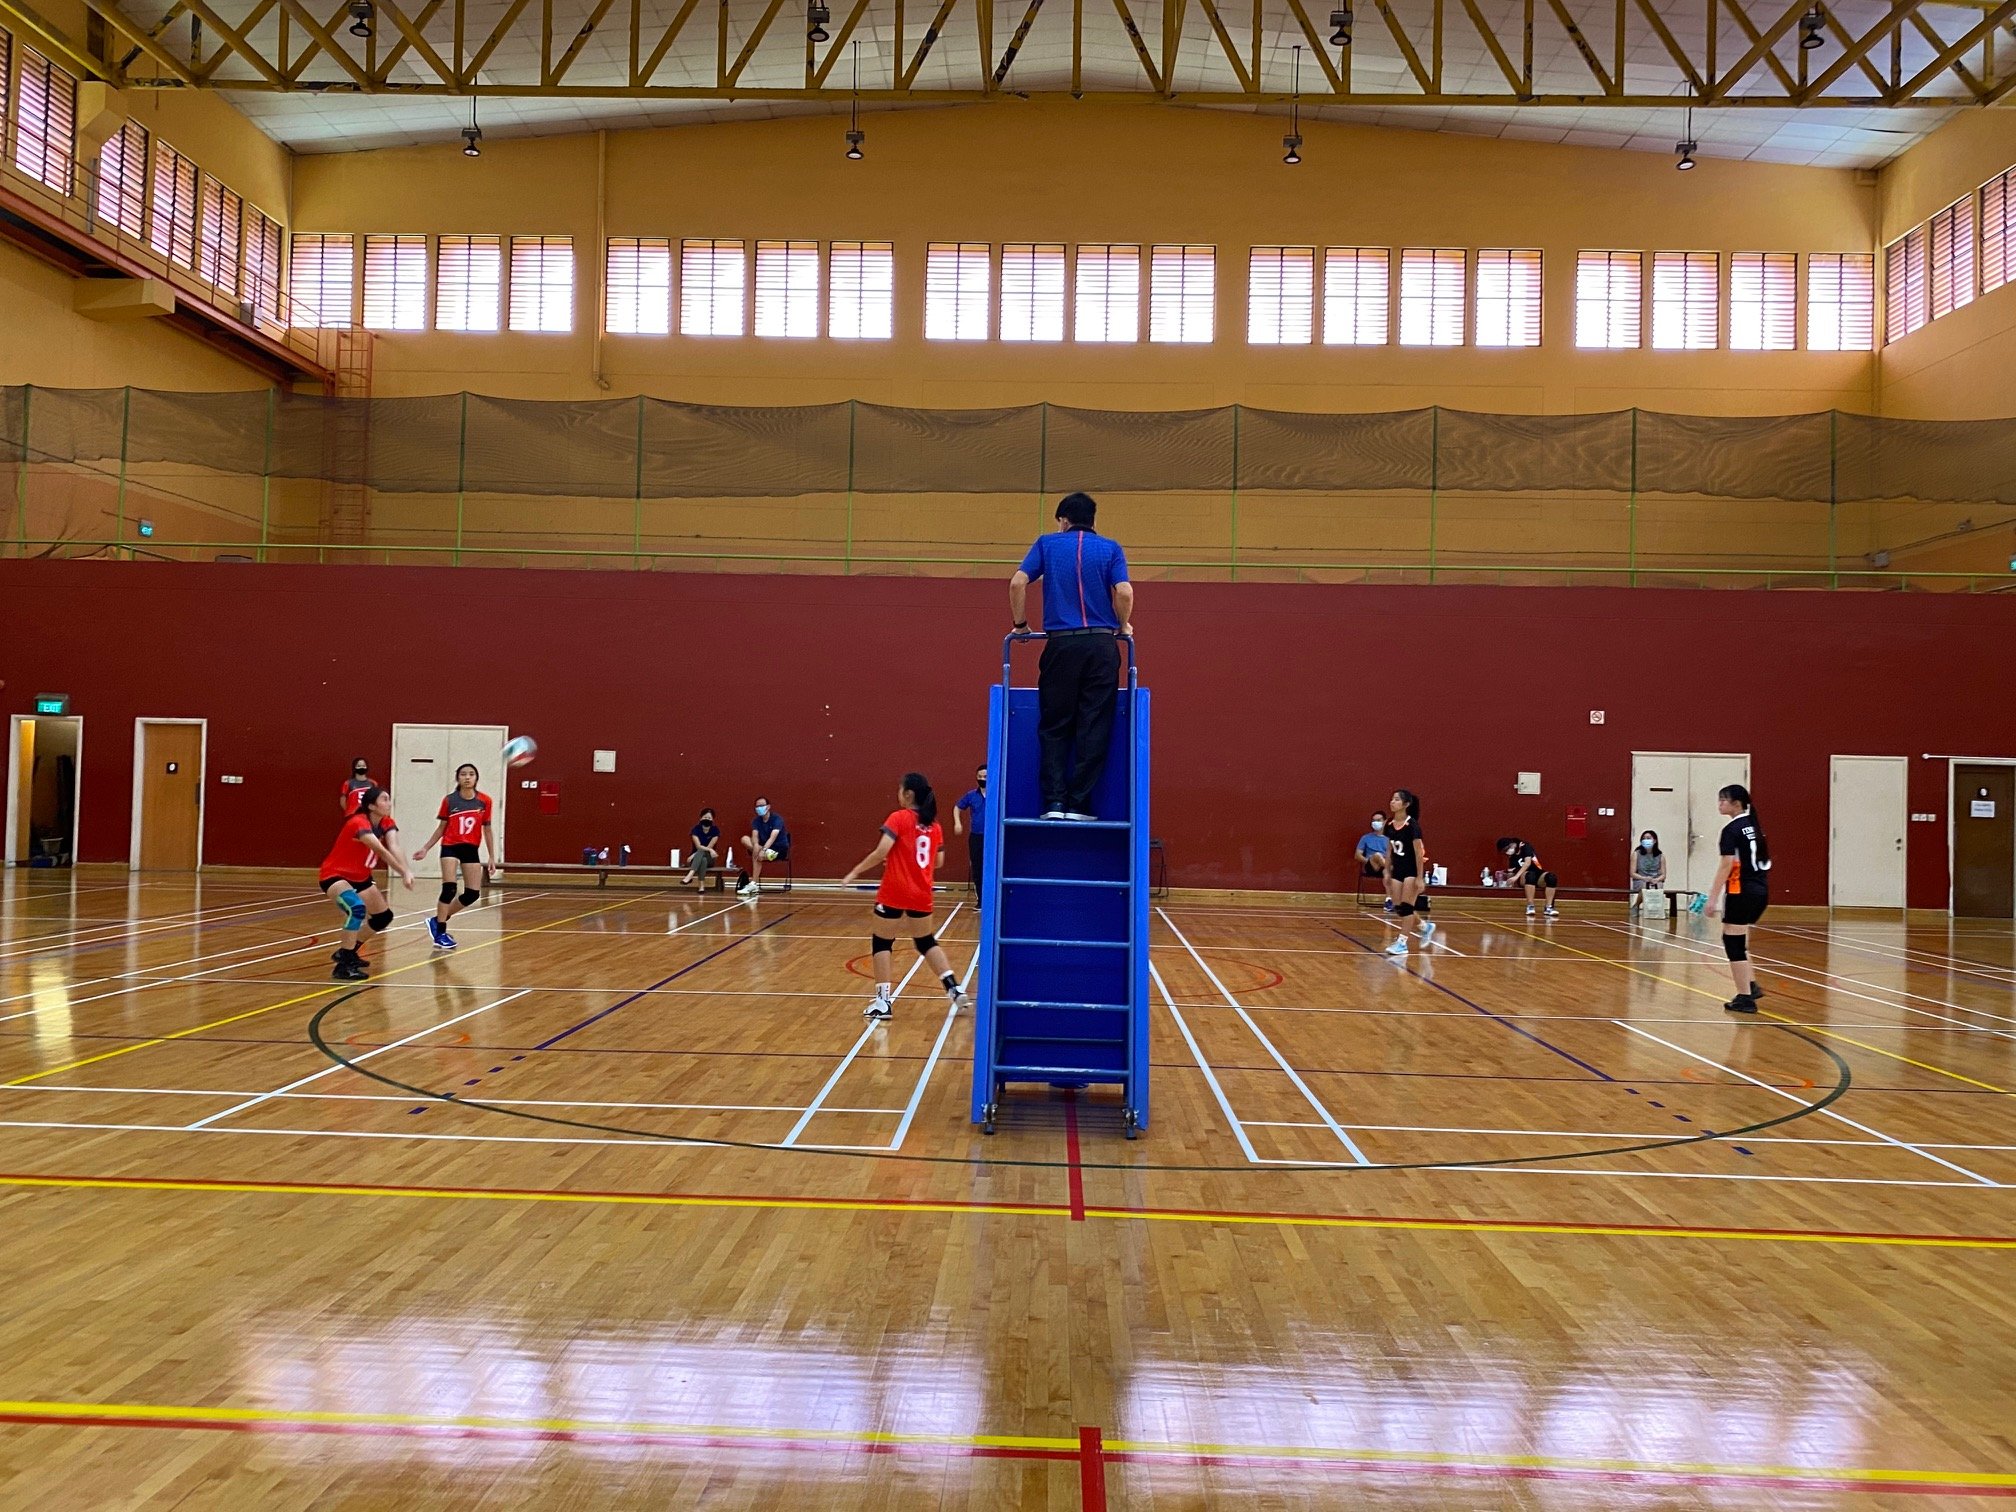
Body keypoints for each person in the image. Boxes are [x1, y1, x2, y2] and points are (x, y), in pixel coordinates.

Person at [1008, 491, 1135, 822]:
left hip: (1061, 645)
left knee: (1054, 725)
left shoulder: (1047, 544)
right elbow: (1124, 591)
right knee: (1094, 724)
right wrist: (1124, 625)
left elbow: (1017, 583)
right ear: (1093, 521)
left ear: (1063, 521)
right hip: (1101, 646)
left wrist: (1020, 625)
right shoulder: (1111, 548)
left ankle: (1054, 803)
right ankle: (1079, 805)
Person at [839, 772, 972, 1022]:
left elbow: (881, 852)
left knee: (882, 942)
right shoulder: (934, 825)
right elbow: (939, 861)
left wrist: (854, 872)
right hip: (922, 892)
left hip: (895, 890)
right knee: (925, 942)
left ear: (908, 794)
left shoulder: (898, 818)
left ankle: (883, 1001)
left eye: (899, 790)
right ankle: (954, 988)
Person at [318, 786, 415, 981]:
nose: (389, 803)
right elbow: (381, 850)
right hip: (335, 875)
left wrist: (407, 869)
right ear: (371, 805)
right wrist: (402, 871)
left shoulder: (387, 822)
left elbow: (394, 846)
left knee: (383, 917)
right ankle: (343, 967)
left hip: (360, 877)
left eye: (389, 799)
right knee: (357, 909)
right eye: (384, 799)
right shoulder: (358, 822)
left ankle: (347, 951)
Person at [412, 764, 496, 951]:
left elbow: (487, 830)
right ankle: (440, 933)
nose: (467, 777)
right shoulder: (450, 801)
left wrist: (491, 856)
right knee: (449, 889)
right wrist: (426, 848)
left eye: (471, 774)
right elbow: (441, 828)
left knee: (472, 894)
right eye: (463, 774)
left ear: (476, 778)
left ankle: (437, 920)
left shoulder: (485, 801)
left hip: (471, 848)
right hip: (450, 846)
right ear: (458, 778)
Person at [1707, 784, 1771, 1014]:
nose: (1720, 804)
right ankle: (1751, 985)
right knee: (1738, 940)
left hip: (1740, 891)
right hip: (1760, 890)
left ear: (1737, 803)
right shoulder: (1754, 825)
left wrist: (1712, 898)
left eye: (1723, 800)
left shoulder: (1731, 830)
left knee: (1733, 944)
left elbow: (1726, 865)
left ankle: (1745, 998)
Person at [1383, 788, 1436, 956]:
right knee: (1399, 908)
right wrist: (1387, 871)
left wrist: (1420, 878)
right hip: (1398, 869)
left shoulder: (1412, 825)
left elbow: (1419, 853)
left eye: (1397, 800)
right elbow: (1389, 849)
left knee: (1407, 907)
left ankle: (1402, 943)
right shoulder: (1390, 824)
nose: (1392, 802)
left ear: (1406, 804)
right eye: (1392, 799)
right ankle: (1424, 926)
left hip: (1412, 870)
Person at [738, 797, 790, 898]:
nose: (759, 808)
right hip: (762, 848)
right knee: (745, 839)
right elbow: (755, 836)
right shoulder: (756, 821)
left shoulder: (777, 819)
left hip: (778, 849)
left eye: (762, 805)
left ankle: (753, 883)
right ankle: (753, 884)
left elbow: (772, 837)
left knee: (757, 853)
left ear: (768, 807)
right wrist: (757, 846)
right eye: (757, 806)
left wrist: (764, 850)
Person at [1498, 836, 1560, 917]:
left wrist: (1516, 876)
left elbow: (1527, 863)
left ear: (1512, 844)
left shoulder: (1525, 847)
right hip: (1525, 877)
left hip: (1537, 873)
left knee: (1551, 878)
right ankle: (1530, 905)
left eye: (1507, 849)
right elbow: (1510, 872)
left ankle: (1549, 907)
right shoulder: (1512, 858)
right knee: (1530, 875)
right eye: (1504, 851)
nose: (1507, 852)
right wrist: (1508, 881)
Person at [953, 765, 988, 900]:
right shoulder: (971, 795)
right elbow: (957, 807)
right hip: (976, 837)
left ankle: (991, 899)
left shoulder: (997, 794)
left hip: (993, 838)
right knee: (977, 868)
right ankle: (980, 900)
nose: (982, 779)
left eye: (985, 777)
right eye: (979, 777)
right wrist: (957, 822)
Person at [1355, 811, 1391, 910]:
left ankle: (1389, 900)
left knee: (1387, 872)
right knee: (1377, 855)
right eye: (1374, 820)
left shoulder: (1390, 839)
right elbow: (1357, 855)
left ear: (1385, 821)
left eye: (1378, 820)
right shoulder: (1366, 838)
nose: (1376, 822)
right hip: (1371, 865)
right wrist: (1369, 860)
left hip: (1385, 865)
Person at [1629, 829, 1669, 916]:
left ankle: (1659, 908)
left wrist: (1657, 879)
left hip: (1655, 880)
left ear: (1654, 840)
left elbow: (1663, 875)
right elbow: (1632, 873)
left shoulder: (1661, 856)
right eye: (1644, 838)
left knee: (1658, 886)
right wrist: (1644, 878)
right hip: (1640, 879)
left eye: (1648, 838)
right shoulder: (1636, 854)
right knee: (1645, 887)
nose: (1646, 840)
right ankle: (1636, 905)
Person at [684, 807, 722, 890]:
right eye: (705, 817)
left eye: (709, 818)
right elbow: (698, 846)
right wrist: (710, 850)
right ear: (701, 818)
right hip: (696, 859)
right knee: (703, 860)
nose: (707, 819)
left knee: (704, 855)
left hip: (710, 858)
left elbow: (708, 847)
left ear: (712, 819)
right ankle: (701, 886)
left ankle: (690, 874)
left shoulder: (715, 830)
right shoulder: (696, 829)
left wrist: (694, 855)